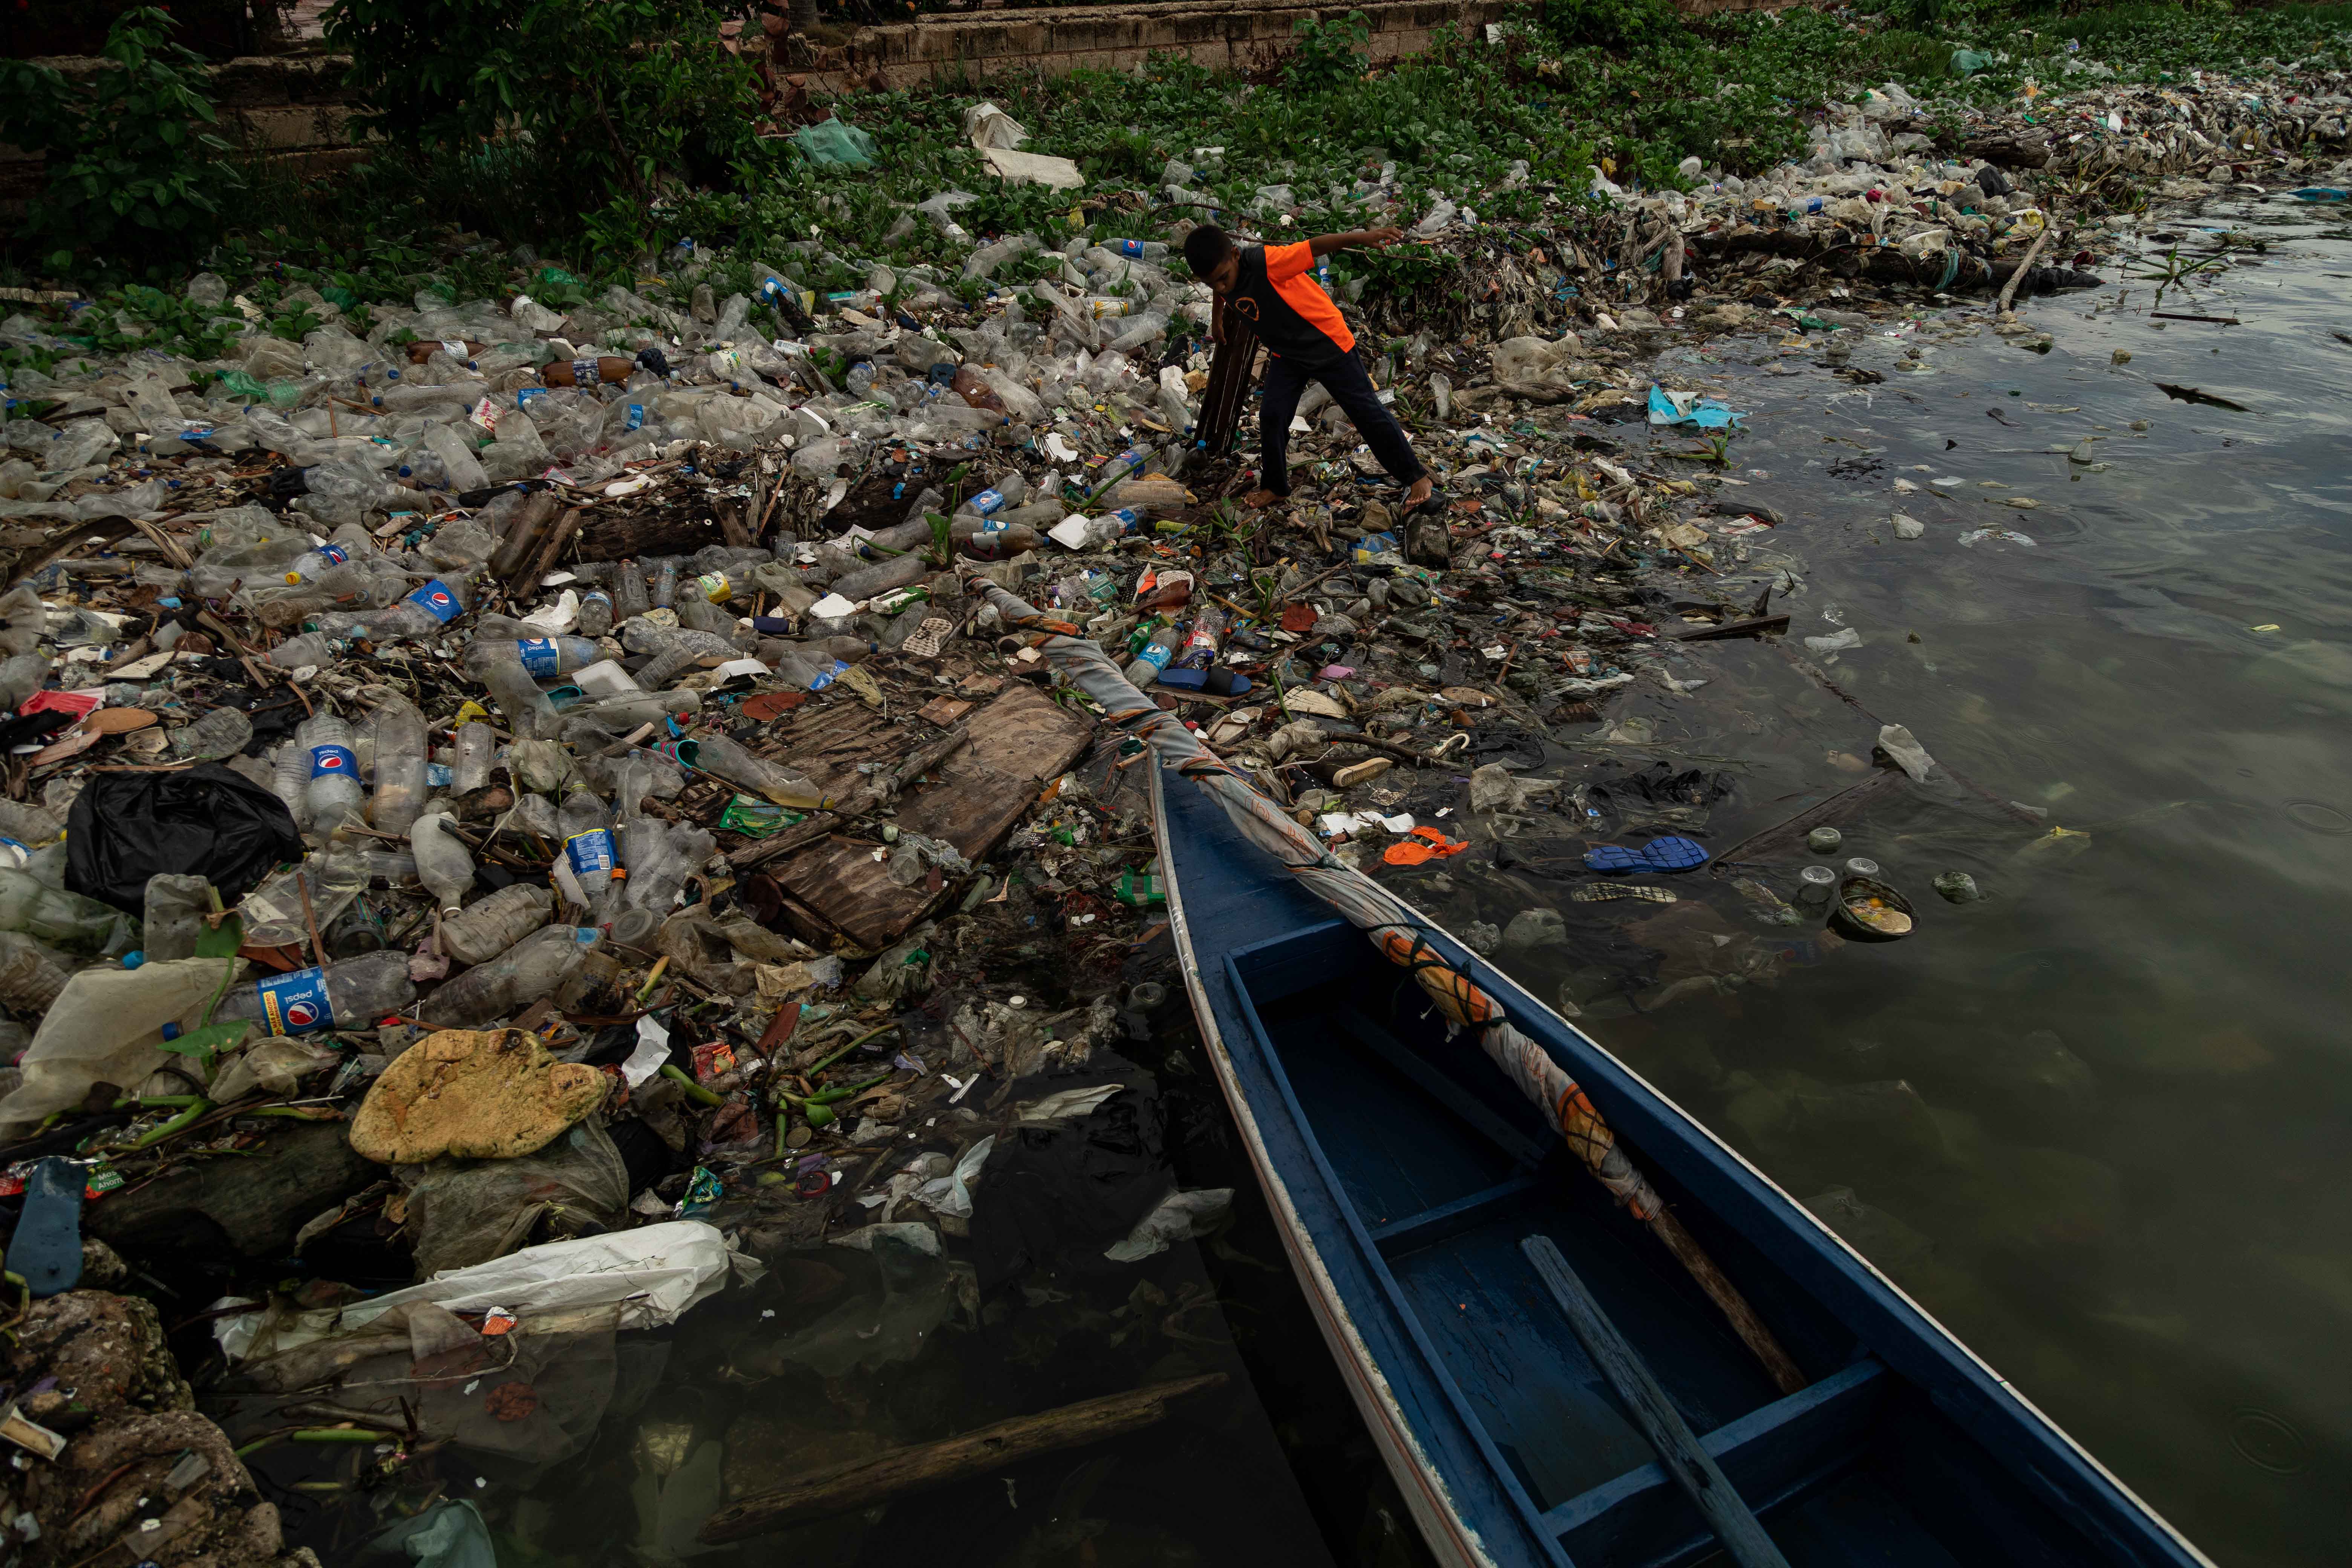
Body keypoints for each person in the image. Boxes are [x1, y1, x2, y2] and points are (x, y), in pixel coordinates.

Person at [1184, 223, 1434, 512]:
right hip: (1287, 353)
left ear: (1236, 255)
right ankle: (1275, 487)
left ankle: (1416, 476)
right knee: (1273, 416)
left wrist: (1363, 238)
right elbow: (1221, 290)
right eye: (1210, 283)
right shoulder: (1222, 275)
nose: (1220, 287)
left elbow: (1314, 247)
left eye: (1223, 278)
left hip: (1327, 341)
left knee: (1366, 412)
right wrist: (1217, 321)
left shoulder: (1268, 262)